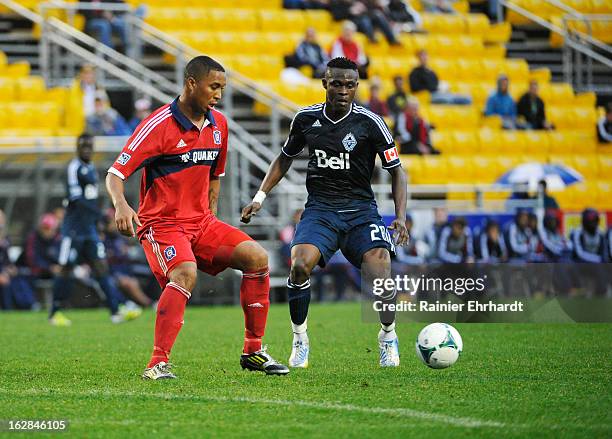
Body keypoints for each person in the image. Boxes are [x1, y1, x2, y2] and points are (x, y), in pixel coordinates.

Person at [106, 56, 289, 379]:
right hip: (162, 224)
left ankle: (253, 351)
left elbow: (215, 175)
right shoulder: (158, 125)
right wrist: (121, 205)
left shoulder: (219, 125)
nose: (218, 94)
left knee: (258, 258)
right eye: (213, 86)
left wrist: (212, 218)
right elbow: (115, 173)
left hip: (201, 222)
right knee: (185, 274)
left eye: (222, 88)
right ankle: (157, 363)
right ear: (192, 83)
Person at [241, 57, 409, 368]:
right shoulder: (306, 119)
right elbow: (284, 158)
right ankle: (300, 338)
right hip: (321, 210)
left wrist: (399, 215)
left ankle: (388, 335)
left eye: (350, 85)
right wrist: (260, 197)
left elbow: (397, 170)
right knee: (300, 266)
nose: (343, 90)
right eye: (337, 83)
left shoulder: (371, 123)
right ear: (325, 84)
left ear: (356, 87)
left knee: (380, 270)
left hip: (361, 211)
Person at [49, 134, 139, 326]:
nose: (86, 149)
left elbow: (89, 199)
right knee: (66, 268)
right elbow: (76, 199)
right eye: (83, 146)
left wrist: (96, 221)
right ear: (77, 148)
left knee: (100, 267)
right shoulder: (74, 168)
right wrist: (101, 215)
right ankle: (54, 312)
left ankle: (115, 311)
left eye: (89, 145)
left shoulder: (90, 168)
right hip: (73, 229)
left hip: (88, 229)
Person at [570, 209, 608, 296]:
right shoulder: (577, 232)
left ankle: (601, 293)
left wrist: (603, 260)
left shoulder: (601, 233)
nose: (592, 223)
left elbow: (604, 252)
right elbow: (579, 254)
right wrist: (598, 259)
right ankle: (578, 289)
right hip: (580, 263)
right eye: (590, 221)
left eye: (594, 220)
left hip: (597, 265)